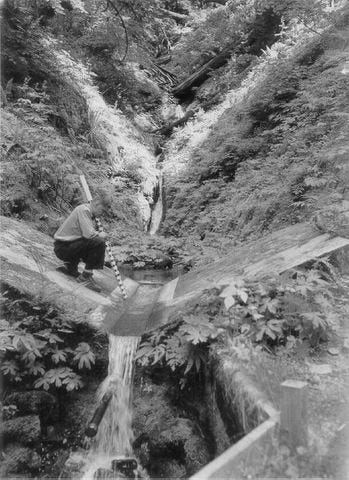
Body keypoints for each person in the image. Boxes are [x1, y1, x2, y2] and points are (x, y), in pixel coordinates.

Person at [53, 191, 112, 293]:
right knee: (99, 242)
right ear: (97, 203)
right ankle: (86, 276)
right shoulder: (84, 210)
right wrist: (100, 234)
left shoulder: (88, 212)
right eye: (102, 211)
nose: (101, 214)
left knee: (94, 242)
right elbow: (88, 235)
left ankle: (70, 266)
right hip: (63, 248)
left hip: (67, 247)